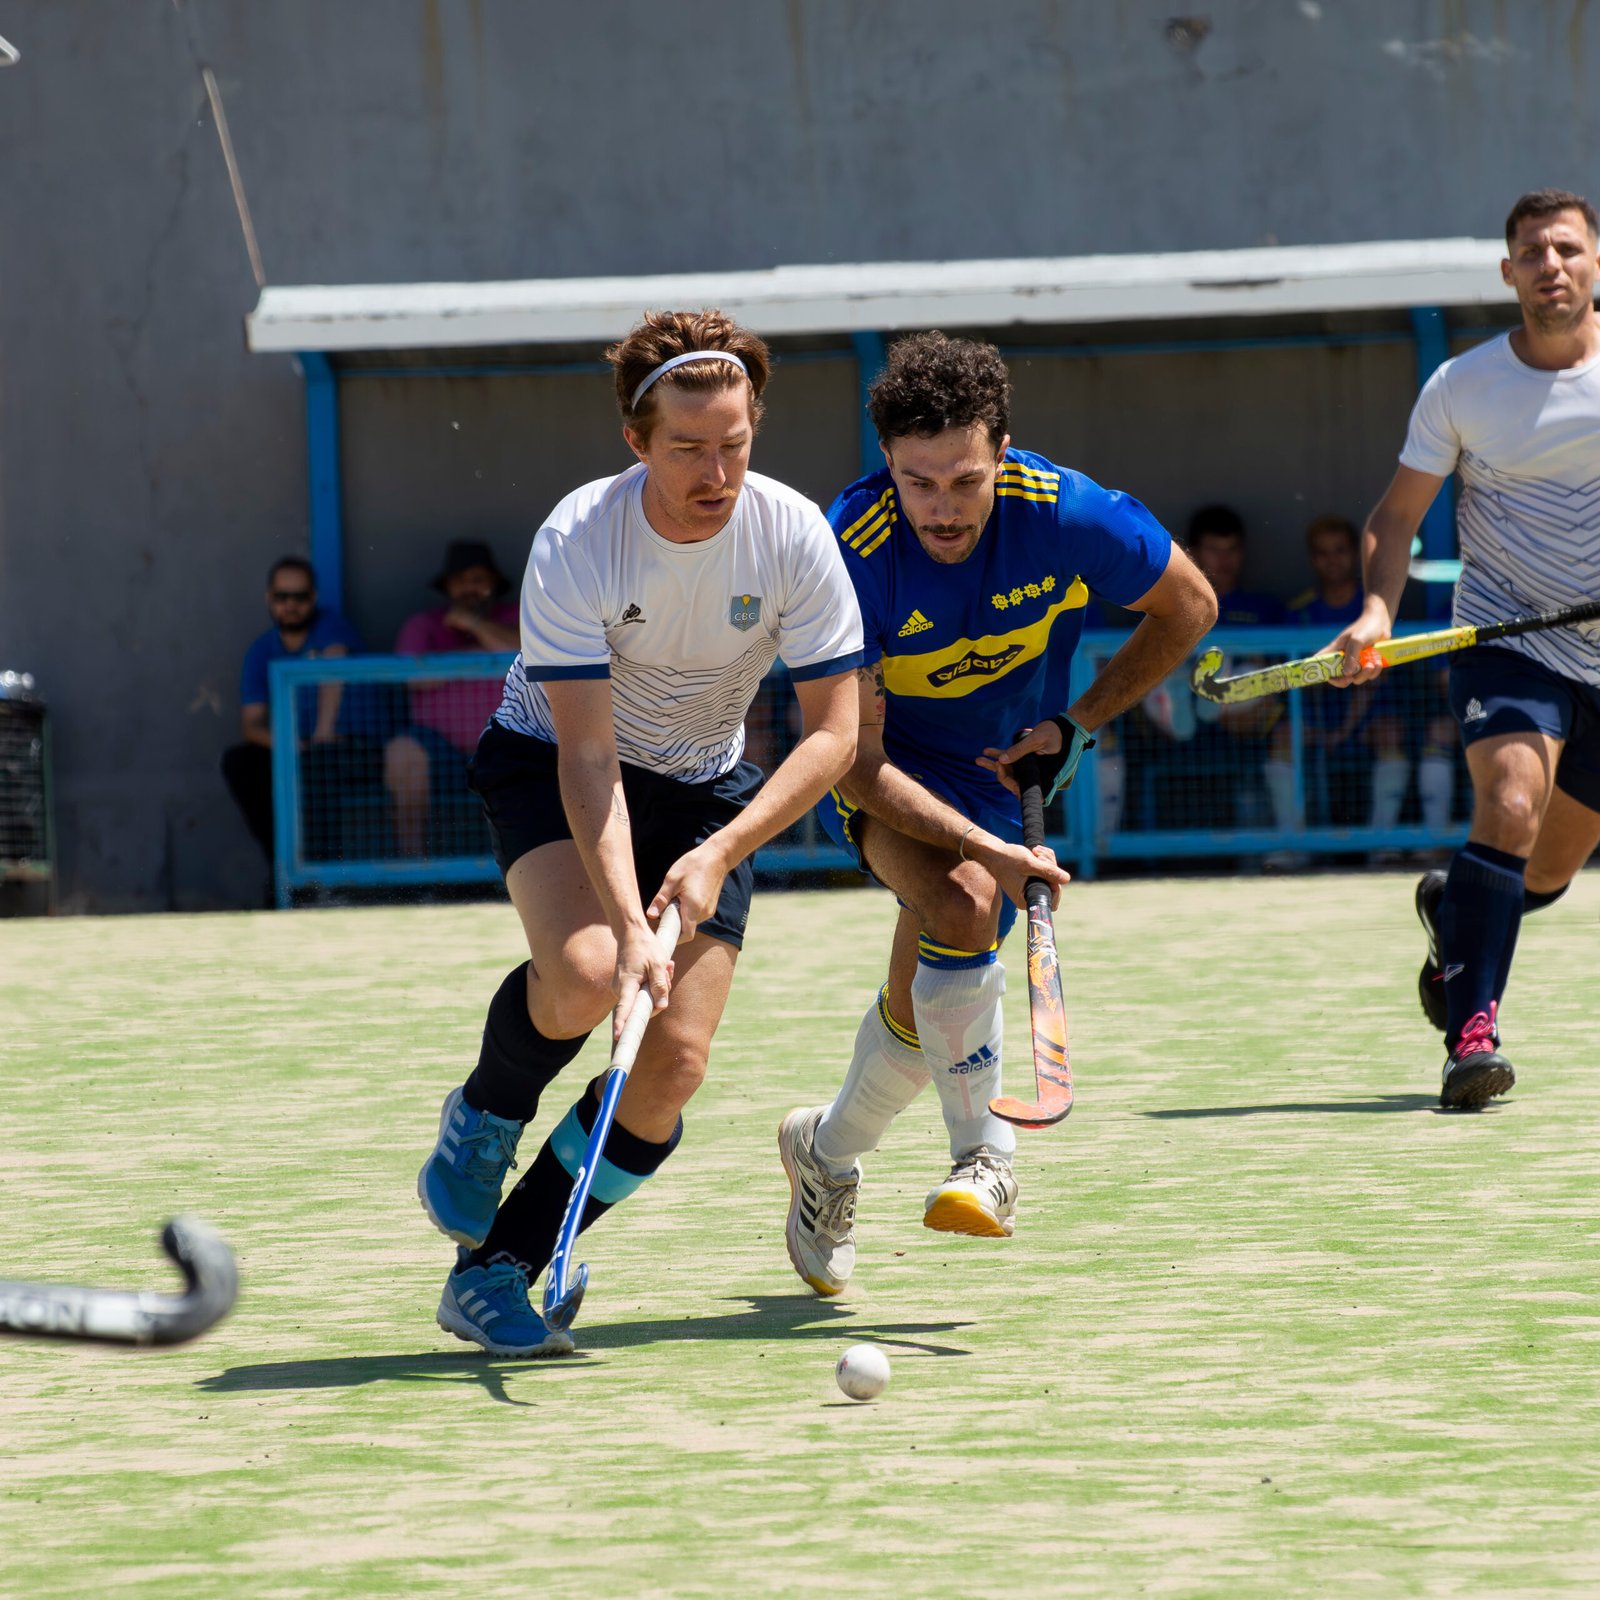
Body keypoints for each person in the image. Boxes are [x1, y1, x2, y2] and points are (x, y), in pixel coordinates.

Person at [416, 309, 864, 1355]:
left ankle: (500, 1266)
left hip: (707, 791)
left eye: (735, 444)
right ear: (635, 439)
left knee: (672, 1066)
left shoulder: (794, 534)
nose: (717, 472)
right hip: (555, 757)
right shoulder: (580, 538)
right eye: (688, 448)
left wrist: (718, 851)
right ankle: (488, 1110)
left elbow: (835, 734)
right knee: (585, 976)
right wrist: (628, 923)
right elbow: (586, 755)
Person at [775, 331, 1216, 1297]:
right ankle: (987, 1155)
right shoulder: (846, 551)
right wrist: (989, 849)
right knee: (967, 902)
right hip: (884, 768)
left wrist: (1080, 721)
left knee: (924, 999)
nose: (942, 508)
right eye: (918, 482)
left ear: (1002, 454)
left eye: (964, 481)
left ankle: (825, 1152)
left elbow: (1188, 605)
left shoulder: (1066, 513)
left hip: (1006, 768)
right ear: (886, 462)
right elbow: (856, 757)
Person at [1328, 187, 1600, 1110]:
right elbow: (1395, 517)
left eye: (1567, 248)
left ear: (1595, 263)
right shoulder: (1462, 386)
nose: (1551, 265)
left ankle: (1454, 911)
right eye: (1534, 252)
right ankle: (1471, 1038)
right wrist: (1377, 610)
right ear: (1508, 271)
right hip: (1509, 637)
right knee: (1511, 804)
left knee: (1547, 871)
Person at [220, 557, 366, 872]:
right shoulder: (261, 650)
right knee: (239, 762)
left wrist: (322, 734)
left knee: (321, 764)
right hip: (298, 749)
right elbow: (251, 725)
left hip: (351, 748)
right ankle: (284, 871)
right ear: (269, 598)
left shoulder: (330, 625)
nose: (290, 605)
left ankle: (324, 882)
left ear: (313, 598)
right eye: (282, 596)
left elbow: (333, 665)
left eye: (299, 597)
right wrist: (288, 743)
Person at [386, 539, 520, 856]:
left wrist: (474, 624)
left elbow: (526, 653)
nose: (468, 588)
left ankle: (526, 873)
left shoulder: (515, 615)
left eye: (478, 580)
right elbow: (413, 679)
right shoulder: (424, 625)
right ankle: (412, 870)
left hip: (505, 740)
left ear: (494, 584)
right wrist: (477, 654)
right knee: (403, 751)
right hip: (438, 749)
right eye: (460, 581)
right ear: (447, 588)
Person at [1285, 514, 1412, 833]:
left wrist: (1342, 732)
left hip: (1371, 716)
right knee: (1283, 735)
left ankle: (1381, 844)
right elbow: (1298, 682)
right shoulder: (1299, 612)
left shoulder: (1374, 610)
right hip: (1317, 715)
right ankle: (1291, 846)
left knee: (1390, 732)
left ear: (1355, 553)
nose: (1332, 560)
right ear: (1312, 558)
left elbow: (1373, 681)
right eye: (1323, 552)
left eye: (1340, 550)